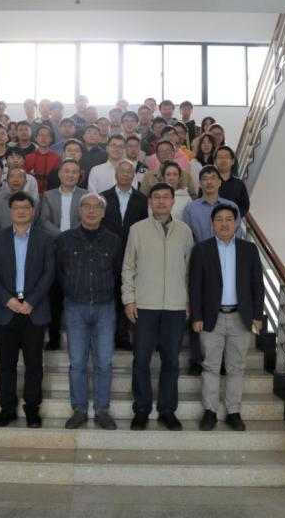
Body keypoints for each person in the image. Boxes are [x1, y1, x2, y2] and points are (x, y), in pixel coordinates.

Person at [122, 182, 194, 431]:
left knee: (171, 361)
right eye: (156, 197)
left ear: (173, 201)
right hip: (144, 305)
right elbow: (128, 267)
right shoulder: (137, 230)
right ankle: (141, 408)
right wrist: (129, 299)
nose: (161, 201)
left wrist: (188, 300)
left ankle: (167, 410)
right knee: (141, 360)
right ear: (150, 201)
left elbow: (190, 269)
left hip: (175, 306)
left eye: (166, 197)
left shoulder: (184, 231)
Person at [189, 204, 264, 432]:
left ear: (236, 223)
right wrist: (196, 316)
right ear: (212, 224)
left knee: (236, 367)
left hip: (241, 317)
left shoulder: (249, 249)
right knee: (210, 366)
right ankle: (210, 411)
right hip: (211, 317)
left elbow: (257, 285)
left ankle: (233, 411)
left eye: (229, 219)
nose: (224, 223)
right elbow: (195, 286)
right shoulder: (202, 249)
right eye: (219, 219)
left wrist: (257, 315)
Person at [0, 192, 55, 428]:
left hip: (34, 310)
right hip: (6, 309)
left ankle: (32, 409)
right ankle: (7, 409)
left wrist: (31, 301)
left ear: (33, 211)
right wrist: (7, 299)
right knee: (6, 364)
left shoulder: (45, 239)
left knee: (34, 364)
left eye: (26, 207)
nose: (22, 211)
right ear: (10, 211)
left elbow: (49, 272)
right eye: (17, 207)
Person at [56, 193, 122, 430]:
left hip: (105, 307)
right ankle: (79, 410)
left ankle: (102, 410)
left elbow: (118, 273)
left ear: (103, 213)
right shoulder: (65, 239)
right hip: (75, 307)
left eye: (97, 207)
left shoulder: (113, 240)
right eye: (87, 206)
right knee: (77, 362)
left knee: (104, 362)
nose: (92, 211)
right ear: (80, 210)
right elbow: (60, 272)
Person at [182, 166, 241, 376]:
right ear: (200, 183)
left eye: (213, 178)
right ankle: (196, 359)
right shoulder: (191, 208)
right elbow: (186, 236)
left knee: (221, 311)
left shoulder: (231, 206)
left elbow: (236, 235)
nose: (209, 181)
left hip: (226, 262)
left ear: (219, 182)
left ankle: (222, 359)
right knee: (198, 306)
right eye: (205, 178)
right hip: (199, 261)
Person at [37, 159, 87, 350]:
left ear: (79, 175)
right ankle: (54, 337)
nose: (70, 175)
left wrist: (71, 237)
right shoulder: (48, 196)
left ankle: (80, 337)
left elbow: (85, 219)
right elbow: (44, 221)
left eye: (74, 172)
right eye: (67, 171)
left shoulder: (85, 195)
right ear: (59, 174)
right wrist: (63, 236)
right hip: (54, 250)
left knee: (77, 296)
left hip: (78, 251)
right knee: (54, 297)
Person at [102, 161, 148, 351]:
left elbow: (144, 226)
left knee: (126, 294)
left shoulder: (142, 199)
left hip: (132, 253)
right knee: (108, 295)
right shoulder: (103, 197)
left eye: (129, 172)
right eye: (122, 171)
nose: (125, 174)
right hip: (107, 253)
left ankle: (122, 336)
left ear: (133, 175)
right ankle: (106, 334)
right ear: (116, 174)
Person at [0, 167, 32, 235]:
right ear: (7, 181)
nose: (16, 180)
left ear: (26, 181)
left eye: (20, 176)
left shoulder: (35, 203)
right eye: (12, 176)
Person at [23, 124, 61, 195]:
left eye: (46, 135)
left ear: (51, 139)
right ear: (36, 138)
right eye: (41, 135)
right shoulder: (28, 158)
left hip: (50, 195)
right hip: (31, 194)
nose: (43, 138)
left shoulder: (57, 158)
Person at [214, 146, 249, 220]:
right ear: (215, 161)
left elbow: (245, 206)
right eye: (220, 157)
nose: (223, 160)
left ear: (233, 161)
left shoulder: (240, 184)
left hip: (233, 224)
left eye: (226, 157)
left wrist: (233, 218)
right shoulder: (208, 182)